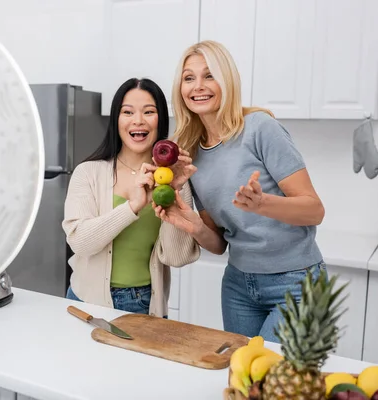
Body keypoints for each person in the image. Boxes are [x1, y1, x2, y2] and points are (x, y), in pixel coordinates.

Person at [154, 41, 326, 341]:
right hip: (239, 286)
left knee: (272, 381)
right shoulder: (190, 151)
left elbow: (314, 210)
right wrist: (193, 225)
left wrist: (263, 204)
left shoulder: (260, 128)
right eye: (189, 77)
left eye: (209, 75)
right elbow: (219, 244)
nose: (198, 86)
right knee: (242, 379)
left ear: (227, 79)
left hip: (296, 282)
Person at [62, 77, 201, 318]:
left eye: (149, 112)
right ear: (116, 119)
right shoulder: (89, 172)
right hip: (86, 300)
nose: (138, 120)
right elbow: (80, 242)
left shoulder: (172, 180)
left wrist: (176, 194)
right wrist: (133, 207)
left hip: (145, 304)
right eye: (128, 112)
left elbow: (176, 257)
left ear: (160, 121)